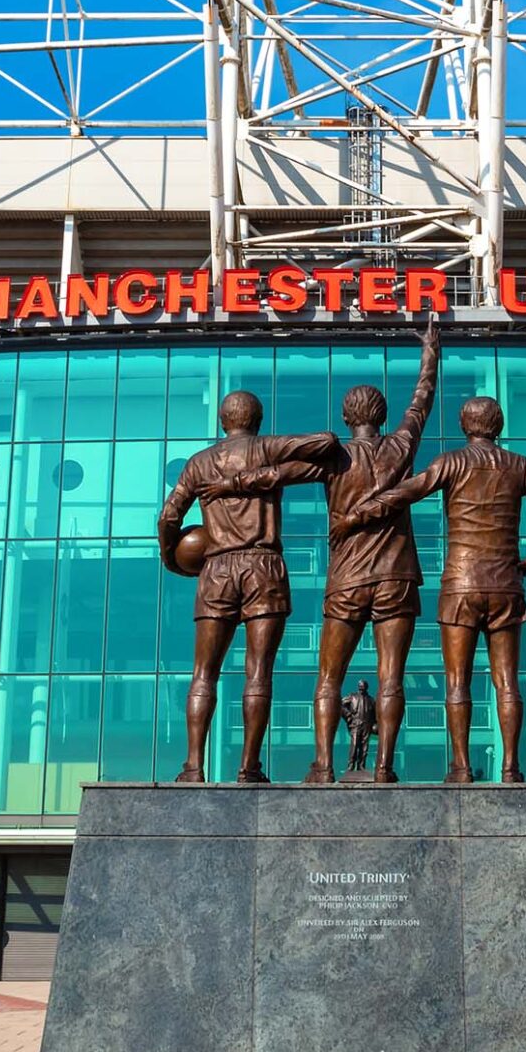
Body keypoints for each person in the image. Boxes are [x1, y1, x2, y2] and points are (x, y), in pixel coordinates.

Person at [193, 324, 442, 782]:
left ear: (348, 418)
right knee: (391, 678)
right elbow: (420, 403)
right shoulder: (400, 446)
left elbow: (275, 475)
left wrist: (228, 483)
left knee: (329, 677)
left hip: (347, 578)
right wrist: (431, 356)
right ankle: (384, 767)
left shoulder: (335, 459)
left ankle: (324, 766)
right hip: (396, 576)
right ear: (381, 417)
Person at [337, 395, 526, 782]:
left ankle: (461, 767)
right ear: (499, 426)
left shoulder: (452, 462)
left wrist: (359, 513)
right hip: (506, 585)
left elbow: (407, 491)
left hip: (461, 584)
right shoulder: (521, 466)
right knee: (507, 681)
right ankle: (511, 768)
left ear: (465, 426)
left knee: (457, 681)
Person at [157, 392, 337, 783]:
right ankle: (249, 766)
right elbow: (326, 441)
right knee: (258, 672)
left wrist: (171, 558)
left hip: (217, 568)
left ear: (223, 421)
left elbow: (169, 516)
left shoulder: (199, 463)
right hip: (263, 565)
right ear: (256, 420)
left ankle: (193, 766)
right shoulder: (266, 448)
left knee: (204, 672)